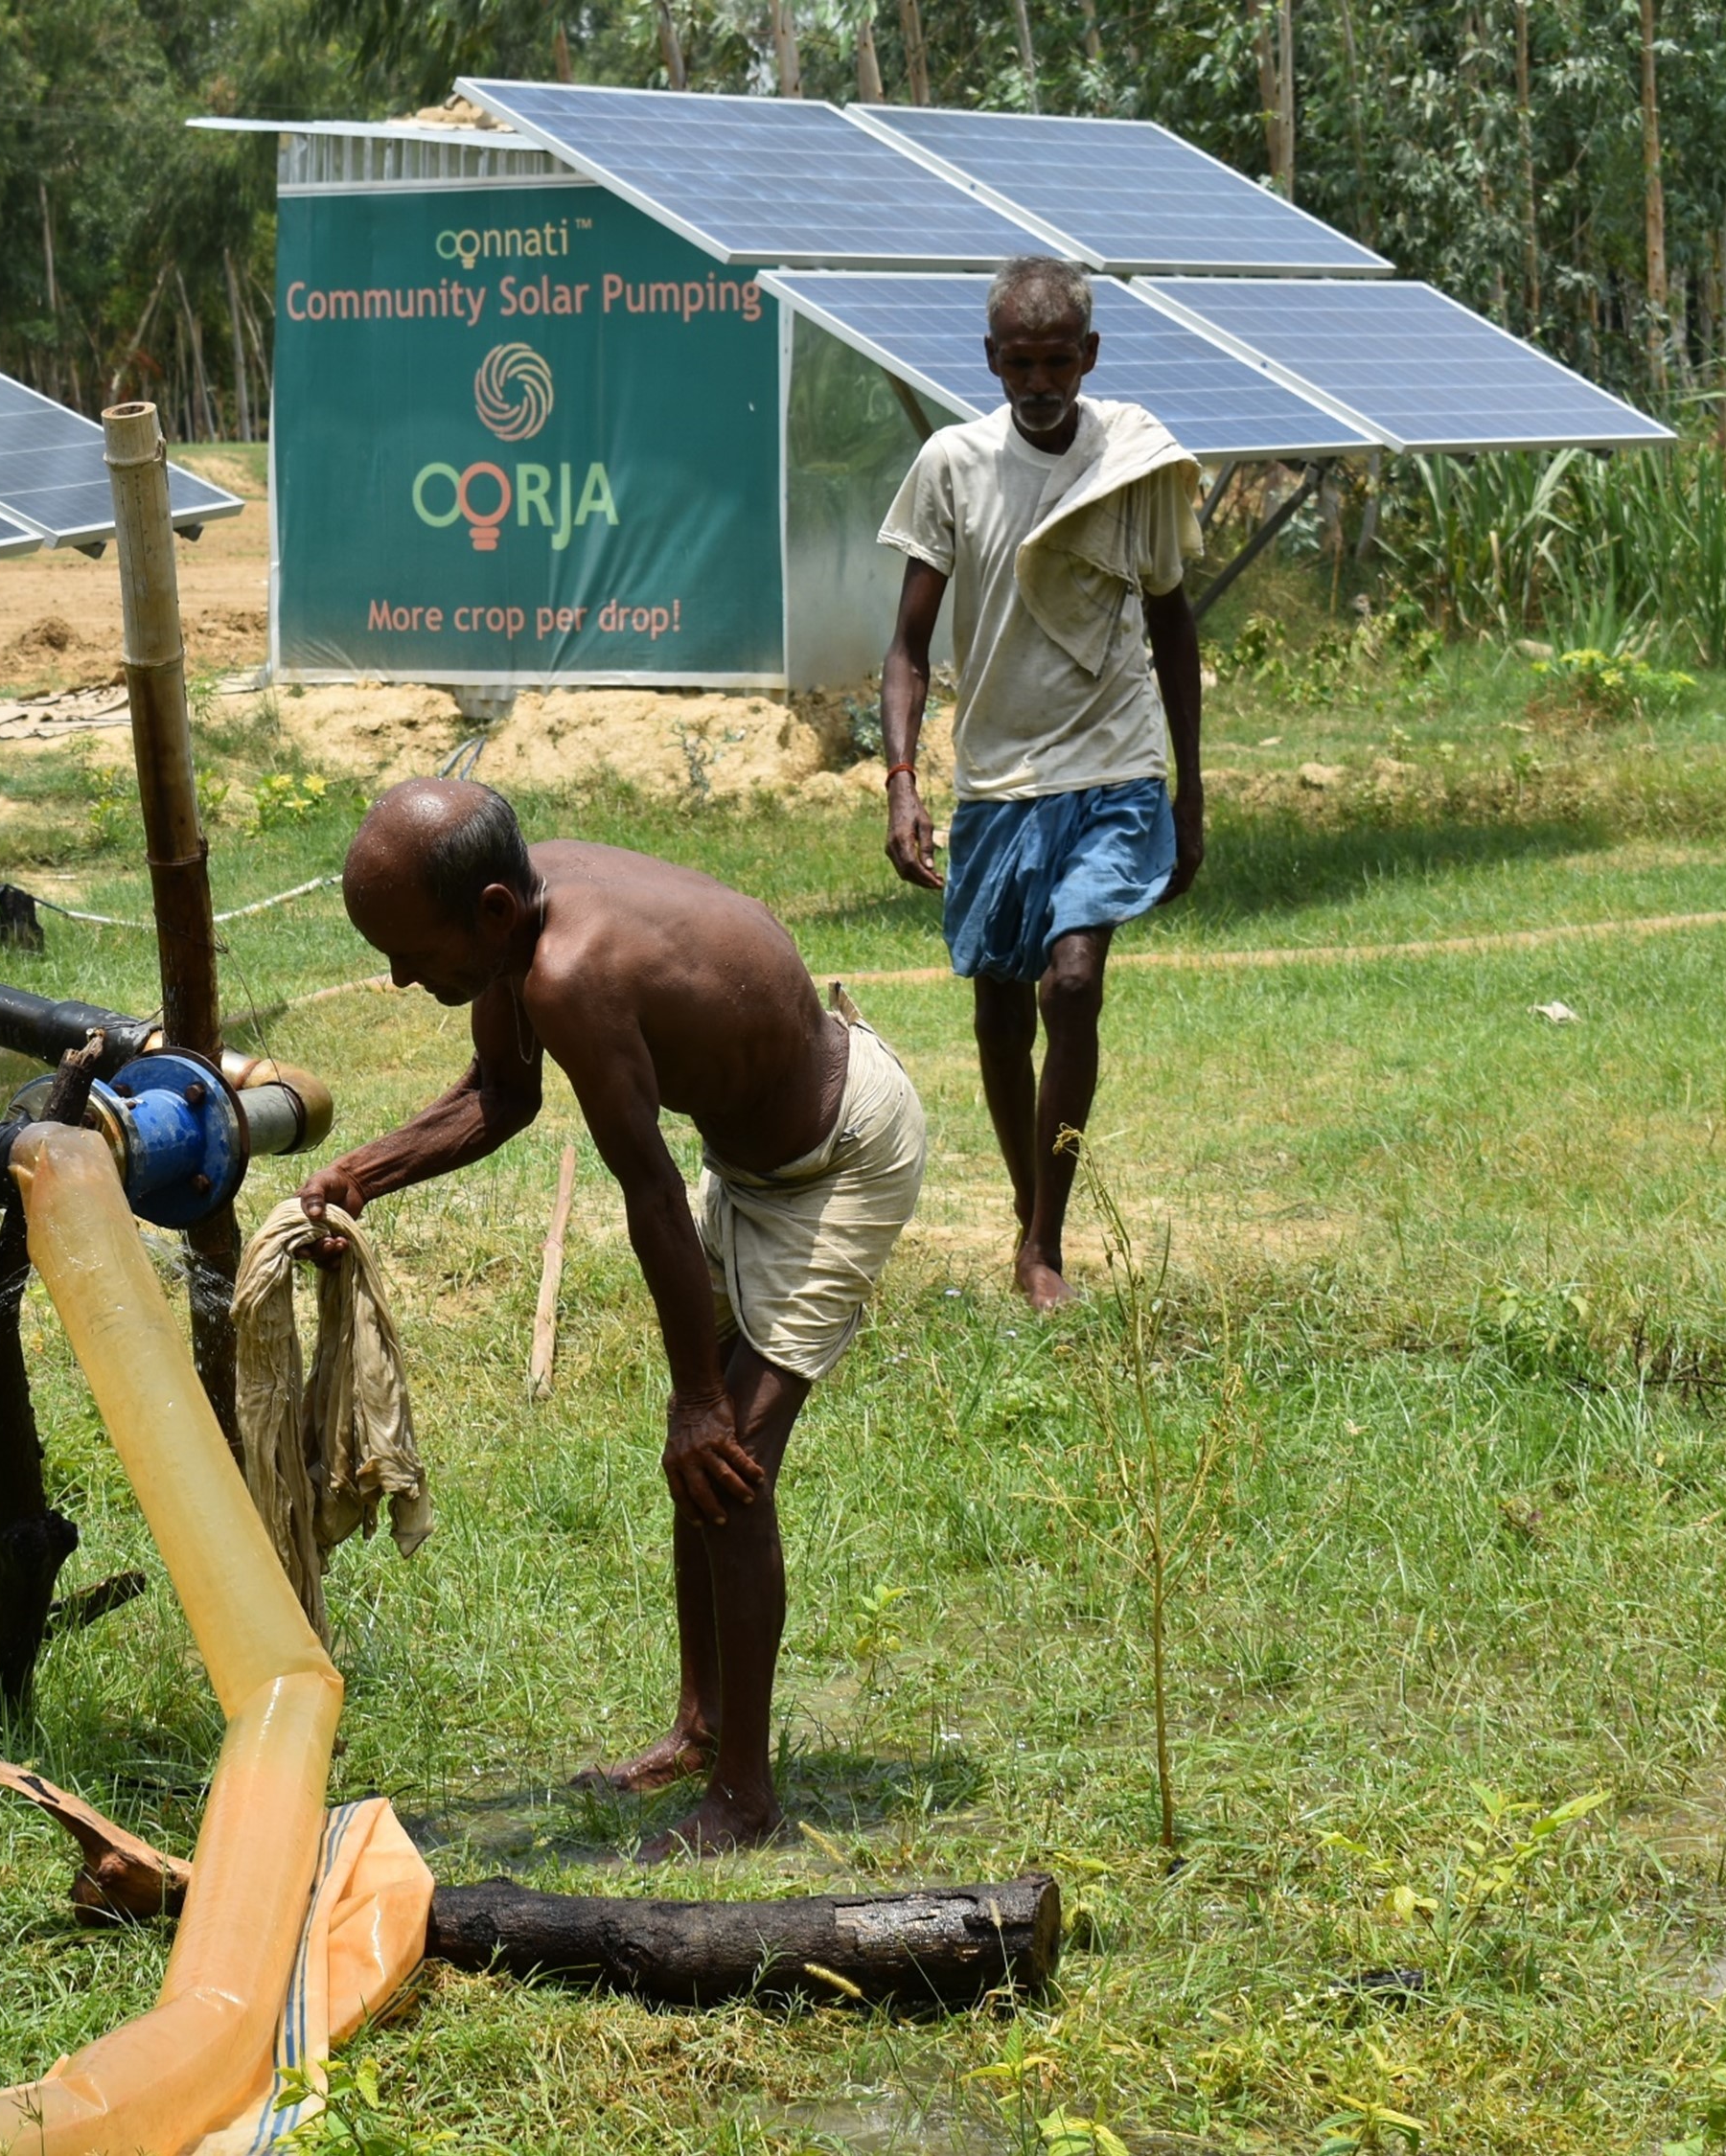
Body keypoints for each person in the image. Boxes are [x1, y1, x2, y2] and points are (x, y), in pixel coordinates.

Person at [296, 779, 926, 1852]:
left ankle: (745, 1801)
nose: (401, 977)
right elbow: (502, 1093)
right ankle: (701, 1728)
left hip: (840, 1159)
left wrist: (698, 1401)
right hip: (756, 1153)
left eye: (410, 953)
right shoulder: (523, 913)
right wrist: (365, 1171)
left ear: (491, 912)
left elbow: (648, 1194)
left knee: (727, 1470)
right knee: (708, 1462)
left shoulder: (573, 974)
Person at [879, 255, 1207, 1310]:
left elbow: (1169, 622)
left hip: (1111, 761)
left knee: (1074, 983)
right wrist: (901, 782)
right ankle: (1031, 1210)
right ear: (991, 362)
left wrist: (1188, 795)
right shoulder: (952, 464)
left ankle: (1045, 1243)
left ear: (1090, 356)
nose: (1039, 381)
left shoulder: (1132, 460)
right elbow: (908, 646)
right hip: (997, 778)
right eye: (1018, 362)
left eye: (1058, 359)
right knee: (999, 1009)